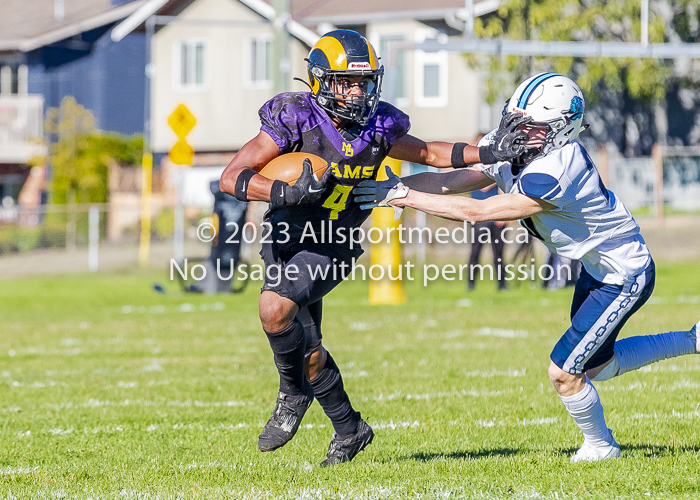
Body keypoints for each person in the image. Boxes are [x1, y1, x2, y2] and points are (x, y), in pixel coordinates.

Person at [354, 72, 700, 463]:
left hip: (624, 274)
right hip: (596, 268)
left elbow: (477, 212)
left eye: (531, 126)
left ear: (561, 130)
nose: (519, 132)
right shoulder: (517, 145)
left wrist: (404, 196)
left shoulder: (556, 168)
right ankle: (693, 340)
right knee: (599, 366)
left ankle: (601, 446)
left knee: (564, 372)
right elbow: (453, 182)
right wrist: (397, 185)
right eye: (515, 119)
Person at [219, 29, 527, 466]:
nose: (356, 92)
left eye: (363, 82)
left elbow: (433, 154)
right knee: (306, 350)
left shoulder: (378, 125)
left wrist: (487, 149)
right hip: (285, 239)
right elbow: (231, 177)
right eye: (346, 82)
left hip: (334, 241)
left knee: (274, 311)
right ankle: (350, 429)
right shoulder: (296, 117)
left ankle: (291, 397)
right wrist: (283, 193)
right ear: (321, 80)